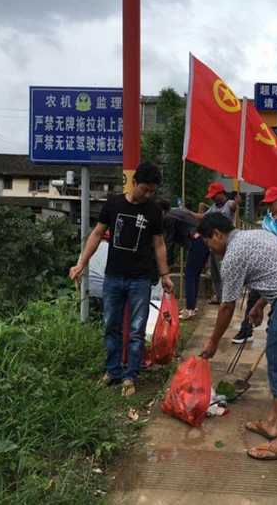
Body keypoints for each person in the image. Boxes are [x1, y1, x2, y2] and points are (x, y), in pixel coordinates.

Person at [197, 213, 277, 461]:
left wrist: (213, 341)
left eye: (209, 243)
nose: (210, 249)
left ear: (217, 234)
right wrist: (259, 305)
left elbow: (227, 306)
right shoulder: (260, 235)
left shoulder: (232, 256)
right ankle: (273, 424)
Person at [69, 162, 175, 397]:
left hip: (140, 279)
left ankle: (130, 376)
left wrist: (165, 275)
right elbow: (97, 234)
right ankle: (113, 371)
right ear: (134, 183)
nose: (147, 195)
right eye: (144, 189)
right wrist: (81, 264)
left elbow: (159, 244)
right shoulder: (114, 204)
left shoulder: (153, 211)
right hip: (113, 277)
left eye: (152, 191)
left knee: (136, 330)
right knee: (111, 326)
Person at [233, 186, 277, 344]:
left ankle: (273, 333)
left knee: (276, 301)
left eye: (271, 202)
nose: (269, 206)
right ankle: (246, 330)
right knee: (253, 298)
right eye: (267, 203)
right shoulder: (267, 218)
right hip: (262, 265)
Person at [157, 197, 208, 320]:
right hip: (205, 239)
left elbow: (170, 241)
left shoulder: (168, 217)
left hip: (196, 241)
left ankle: (190, 309)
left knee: (189, 276)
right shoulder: (177, 210)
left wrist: (168, 264)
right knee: (194, 275)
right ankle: (192, 307)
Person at [192, 182, 241, 305]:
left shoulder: (229, 204)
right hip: (214, 243)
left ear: (221, 193)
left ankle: (227, 298)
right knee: (214, 272)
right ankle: (219, 297)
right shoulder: (213, 207)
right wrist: (187, 213)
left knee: (223, 271)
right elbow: (203, 217)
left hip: (225, 244)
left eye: (214, 195)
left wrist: (237, 202)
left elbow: (234, 206)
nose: (213, 198)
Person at [88, 230, 110, 320]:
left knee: (89, 320)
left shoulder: (87, 249)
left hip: (88, 288)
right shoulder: (111, 250)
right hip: (105, 289)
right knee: (104, 321)